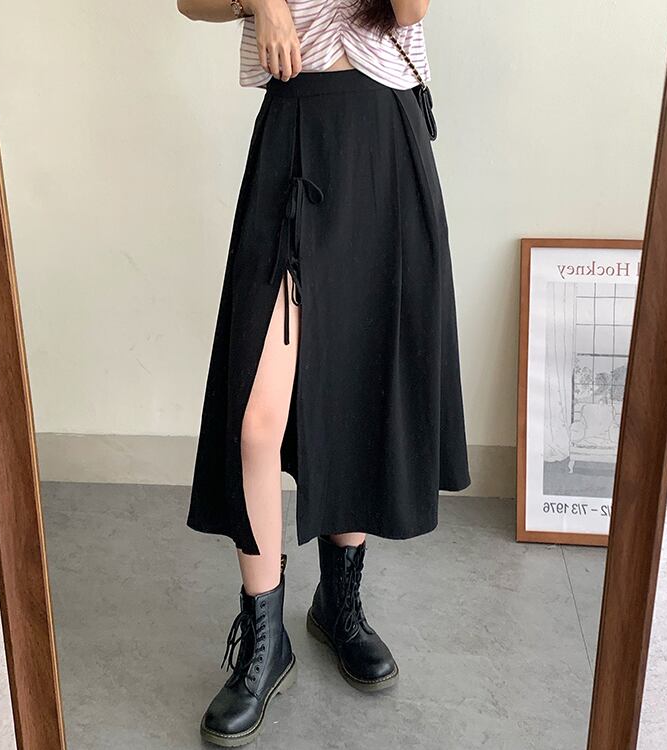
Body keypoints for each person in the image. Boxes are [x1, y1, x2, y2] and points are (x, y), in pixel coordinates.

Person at [177, 0, 470, 745]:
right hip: (295, 135)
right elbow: (189, 2)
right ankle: (264, 639)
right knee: (256, 420)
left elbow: (410, 10)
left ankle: (339, 606)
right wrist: (260, 1)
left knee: (358, 386)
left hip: (384, 142)